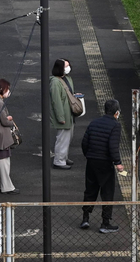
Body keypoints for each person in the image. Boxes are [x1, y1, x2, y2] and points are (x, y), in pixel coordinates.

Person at [79, 99, 124, 233]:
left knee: (90, 190)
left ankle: (85, 219)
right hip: (105, 163)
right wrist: (118, 163)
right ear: (116, 113)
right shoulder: (116, 125)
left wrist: (89, 155)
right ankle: (105, 223)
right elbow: (113, 146)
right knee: (107, 192)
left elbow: (84, 142)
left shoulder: (94, 122)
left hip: (91, 161)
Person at [49, 58, 80, 170]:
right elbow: (56, 101)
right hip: (65, 115)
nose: (68, 67)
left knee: (67, 137)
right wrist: (60, 117)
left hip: (69, 114)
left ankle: (63, 157)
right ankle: (59, 160)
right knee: (62, 138)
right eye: (66, 66)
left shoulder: (66, 79)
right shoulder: (55, 83)